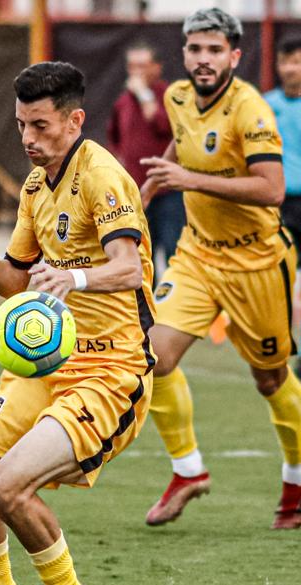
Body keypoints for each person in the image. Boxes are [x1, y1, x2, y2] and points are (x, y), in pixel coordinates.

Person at [0, 62, 155, 585]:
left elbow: (129, 269)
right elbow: (17, 285)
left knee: (7, 485)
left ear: (75, 120)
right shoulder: (35, 188)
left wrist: (74, 277)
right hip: (46, 366)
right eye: (20, 125)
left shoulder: (104, 177)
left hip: (109, 370)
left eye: (40, 125)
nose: (29, 138)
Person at [139, 9, 301, 531]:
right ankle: (188, 471)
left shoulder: (250, 108)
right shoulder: (177, 96)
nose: (202, 59)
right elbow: (181, 144)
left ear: (234, 56)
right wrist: (152, 187)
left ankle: (296, 481)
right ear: (183, 53)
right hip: (198, 254)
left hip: (256, 260)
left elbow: (272, 188)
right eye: (195, 49)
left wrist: (187, 178)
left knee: (270, 378)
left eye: (214, 51)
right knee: (150, 356)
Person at [107, 42, 186, 274]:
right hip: (136, 194)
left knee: (173, 251)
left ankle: (174, 305)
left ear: (157, 67)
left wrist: (145, 95)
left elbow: (164, 125)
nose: (135, 72)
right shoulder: (123, 101)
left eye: (142, 65)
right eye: (131, 66)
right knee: (141, 254)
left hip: (168, 191)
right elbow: (115, 138)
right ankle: (146, 307)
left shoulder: (170, 95)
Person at [264, 36, 301, 374]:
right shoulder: (265, 105)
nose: (292, 69)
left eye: (298, 62)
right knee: (278, 278)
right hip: (278, 204)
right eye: (287, 62)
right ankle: (279, 345)